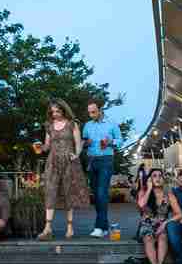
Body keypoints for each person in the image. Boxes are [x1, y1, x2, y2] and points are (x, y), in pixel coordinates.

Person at [37, 99, 88, 241]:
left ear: (64, 110)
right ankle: (47, 229)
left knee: (68, 193)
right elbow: (47, 146)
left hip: (69, 162)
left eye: (57, 111)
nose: (55, 114)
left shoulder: (73, 124)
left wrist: (76, 154)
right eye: (52, 112)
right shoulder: (49, 126)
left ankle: (70, 228)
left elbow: (78, 144)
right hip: (52, 162)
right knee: (50, 191)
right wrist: (41, 147)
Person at [82, 100, 123, 238]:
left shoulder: (112, 124)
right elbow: (83, 142)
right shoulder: (87, 125)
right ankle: (105, 226)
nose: (91, 115)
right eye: (89, 112)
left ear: (100, 110)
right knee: (97, 195)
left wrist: (110, 142)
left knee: (101, 193)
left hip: (106, 160)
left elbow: (120, 141)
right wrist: (85, 143)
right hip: (91, 161)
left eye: (93, 112)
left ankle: (99, 227)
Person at [137, 168, 182, 264]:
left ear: (163, 179)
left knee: (162, 237)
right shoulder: (143, 192)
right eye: (154, 176)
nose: (157, 178)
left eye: (159, 176)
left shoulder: (169, 195)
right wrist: (149, 189)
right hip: (146, 224)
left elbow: (179, 214)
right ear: (150, 179)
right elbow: (141, 205)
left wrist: (166, 223)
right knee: (148, 238)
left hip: (162, 224)